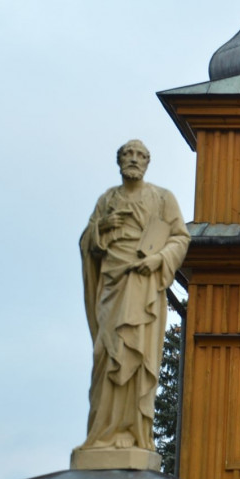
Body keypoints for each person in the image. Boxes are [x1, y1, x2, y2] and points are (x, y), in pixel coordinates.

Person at [76, 140, 190, 458]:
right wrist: (100, 229)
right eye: (128, 155)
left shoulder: (163, 198)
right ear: (119, 161)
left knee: (136, 358)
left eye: (140, 155)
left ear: (148, 162)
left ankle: (132, 430)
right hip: (112, 285)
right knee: (105, 354)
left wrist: (159, 260)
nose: (134, 160)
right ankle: (102, 433)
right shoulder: (107, 199)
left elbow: (180, 237)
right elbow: (89, 243)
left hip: (143, 285)